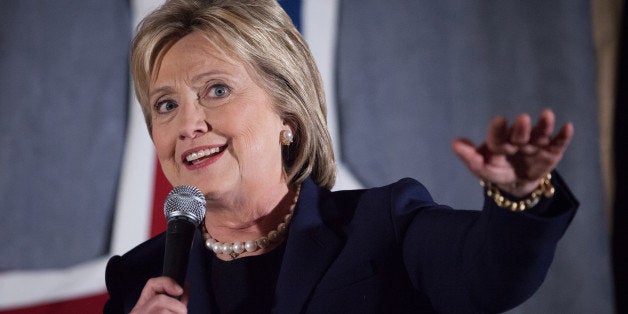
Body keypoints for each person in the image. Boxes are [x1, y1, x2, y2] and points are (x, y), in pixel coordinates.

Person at [104, 0, 578, 313]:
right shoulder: (139, 279)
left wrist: (520, 196)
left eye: (217, 90)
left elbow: (490, 277)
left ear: (286, 114)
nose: (188, 125)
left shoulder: (382, 227)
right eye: (166, 105)